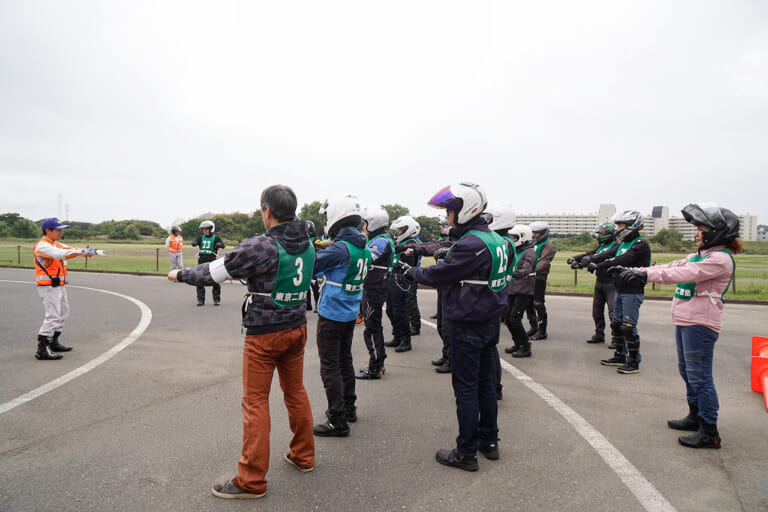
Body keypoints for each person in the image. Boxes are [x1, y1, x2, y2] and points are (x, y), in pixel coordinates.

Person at [169, 185, 315, 499]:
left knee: (255, 403)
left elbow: (212, 272)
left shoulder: (261, 246)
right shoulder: (308, 243)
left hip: (265, 333)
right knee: (296, 391)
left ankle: (251, 480)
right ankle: (304, 455)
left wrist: (179, 275)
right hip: (297, 327)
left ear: (267, 211)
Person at [612, 204, 740, 448]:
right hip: (686, 321)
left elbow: (684, 274)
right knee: (687, 372)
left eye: (702, 229)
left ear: (717, 233)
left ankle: (709, 430)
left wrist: (644, 276)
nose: (696, 233)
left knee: (700, 376)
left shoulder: (719, 260)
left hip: (700, 324)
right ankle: (695, 416)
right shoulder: (700, 255)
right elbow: (671, 267)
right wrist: (635, 270)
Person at [400, 182, 508, 471]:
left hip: (468, 323)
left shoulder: (472, 244)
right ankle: (490, 441)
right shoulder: (498, 241)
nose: (447, 217)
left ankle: (466, 453)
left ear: (465, 209)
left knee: (466, 389)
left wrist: (411, 272)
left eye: (450, 211)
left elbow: (440, 274)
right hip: (488, 321)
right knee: (485, 385)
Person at [312, 195, 371, 436]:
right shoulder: (362, 246)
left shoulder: (339, 249)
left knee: (330, 367)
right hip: (348, 313)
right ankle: (349, 407)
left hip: (331, 314)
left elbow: (312, 264)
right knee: (345, 361)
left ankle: (337, 419)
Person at [585, 210, 651, 374]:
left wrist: (599, 266)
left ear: (632, 226)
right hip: (620, 289)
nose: (618, 229)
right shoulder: (622, 243)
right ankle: (620, 355)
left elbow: (623, 260)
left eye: (621, 225)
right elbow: (608, 254)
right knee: (617, 324)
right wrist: (586, 260)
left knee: (628, 327)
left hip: (633, 291)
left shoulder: (640, 244)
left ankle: (634, 361)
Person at [32, 218, 95, 360]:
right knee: (52, 316)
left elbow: (69, 250)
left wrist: (88, 251)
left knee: (63, 313)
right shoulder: (42, 246)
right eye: (58, 230)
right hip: (48, 286)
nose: (61, 232)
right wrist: (82, 251)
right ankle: (42, 349)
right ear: (48, 231)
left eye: (61, 229)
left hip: (58, 285)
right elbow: (60, 254)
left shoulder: (55, 244)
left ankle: (54, 342)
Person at [400, 219, 455, 373]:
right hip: (443, 286)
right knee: (442, 326)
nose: (443, 228)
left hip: (453, 287)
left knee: (448, 327)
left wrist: (415, 272)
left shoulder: (461, 242)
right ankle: (446, 355)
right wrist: (409, 248)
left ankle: (452, 359)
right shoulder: (447, 241)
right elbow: (430, 246)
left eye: (445, 225)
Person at [356, 206, 394, 380]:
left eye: (365, 223)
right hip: (373, 288)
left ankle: (375, 366)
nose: (363, 227)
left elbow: (367, 257)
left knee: (370, 329)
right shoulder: (380, 238)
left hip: (374, 289)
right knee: (374, 326)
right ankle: (379, 362)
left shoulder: (380, 241)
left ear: (373, 223)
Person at [568, 223, 619, 346]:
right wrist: (576, 260)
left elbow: (602, 256)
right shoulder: (601, 246)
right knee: (596, 311)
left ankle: (616, 339)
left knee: (613, 312)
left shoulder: (616, 246)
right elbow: (589, 254)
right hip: (599, 282)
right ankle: (599, 334)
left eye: (601, 233)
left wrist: (589, 260)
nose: (599, 236)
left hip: (611, 283)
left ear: (609, 234)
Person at [385, 215, 420, 353]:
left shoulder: (412, 244)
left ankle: (406, 340)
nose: (398, 232)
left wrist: (397, 252)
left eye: (400, 230)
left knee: (400, 311)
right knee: (390, 310)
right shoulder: (400, 244)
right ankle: (397, 336)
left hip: (402, 280)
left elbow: (402, 257)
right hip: (393, 277)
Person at [503, 224, 537, 358]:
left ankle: (525, 346)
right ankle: (517, 343)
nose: (511, 239)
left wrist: (511, 273)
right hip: (512, 288)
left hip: (524, 289)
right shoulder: (516, 251)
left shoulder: (530, 252)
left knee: (514, 318)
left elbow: (526, 270)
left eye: (514, 237)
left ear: (523, 237)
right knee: (507, 318)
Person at [525, 221, 556, 340]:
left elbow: (544, 262)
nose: (534, 235)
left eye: (536, 233)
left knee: (538, 303)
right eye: (533, 232)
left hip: (539, 277)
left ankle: (542, 330)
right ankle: (533, 327)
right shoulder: (532, 243)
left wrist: (529, 271)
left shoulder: (548, 245)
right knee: (528, 303)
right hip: (529, 276)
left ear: (543, 233)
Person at [190, 220, 225, 306]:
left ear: (211, 229)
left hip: (212, 261)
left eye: (206, 229)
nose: (204, 231)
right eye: (203, 229)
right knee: (199, 280)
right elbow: (194, 242)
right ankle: (200, 299)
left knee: (215, 279)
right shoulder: (200, 238)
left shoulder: (216, 238)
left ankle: (216, 299)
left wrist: (219, 244)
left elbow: (223, 245)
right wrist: (194, 243)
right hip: (202, 261)